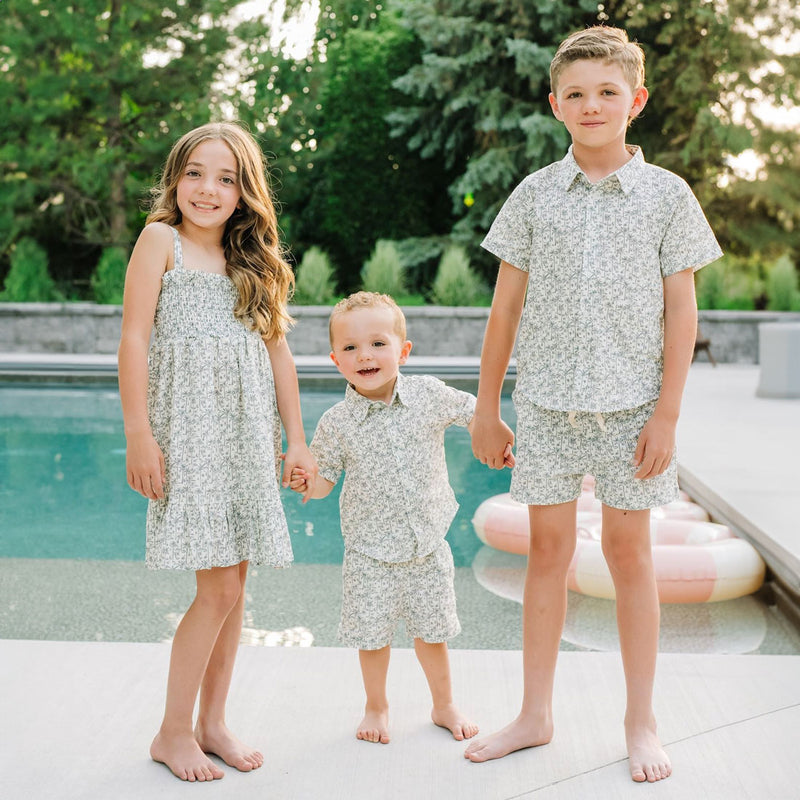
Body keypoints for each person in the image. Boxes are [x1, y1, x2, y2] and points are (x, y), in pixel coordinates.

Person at [464, 26, 722, 783]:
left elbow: (683, 314)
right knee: (545, 556)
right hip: (546, 408)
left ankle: (641, 723)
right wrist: (487, 405)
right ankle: (534, 715)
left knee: (629, 556)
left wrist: (667, 414)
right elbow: (505, 309)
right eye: (575, 93)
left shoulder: (668, 196)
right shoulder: (534, 194)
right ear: (555, 104)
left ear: (635, 101)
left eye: (607, 92)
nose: (591, 105)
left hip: (633, 411)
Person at [118, 122, 316, 782]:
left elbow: (279, 354)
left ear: (244, 192)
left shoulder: (252, 260)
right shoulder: (161, 241)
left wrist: (296, 439)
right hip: (190, 436)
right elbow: (134, 339)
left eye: (226, 179)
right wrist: (139, 434)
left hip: (246, 437)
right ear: (175, 179)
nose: (208, 189)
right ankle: (172, 732)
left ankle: (212, 723)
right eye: (196, 173)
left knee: (235, 587)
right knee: (220, 587)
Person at [290, 292, 510, 745]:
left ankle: (443, 704)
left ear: (403, 351)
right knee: (372, 638)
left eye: (377, 343)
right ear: (335, 360)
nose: (364, 355)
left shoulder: (428, 394)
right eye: (350, 348)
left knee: (433, 633)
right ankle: (376, 706)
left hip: (426, 544)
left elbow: (471, 414)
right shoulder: (336, 422)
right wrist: (307, 483)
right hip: (369, 552)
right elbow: (325, 479)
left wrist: (490, 436)